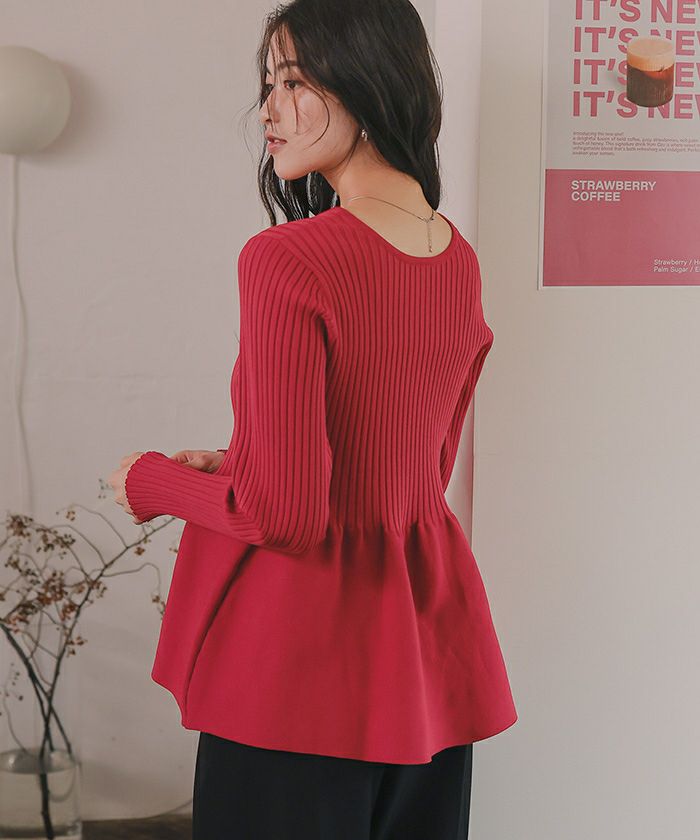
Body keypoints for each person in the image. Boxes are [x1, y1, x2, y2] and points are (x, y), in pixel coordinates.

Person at [109, 0, 517, 836]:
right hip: (421, 662)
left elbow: (284, 516)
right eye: (268, 84)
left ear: (368, 81)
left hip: (295, 670)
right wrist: (241, 459)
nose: (268, 110)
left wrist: (149, 482)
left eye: (293, 82)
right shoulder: (455, 256)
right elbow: (413, 469)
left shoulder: (288, 259)